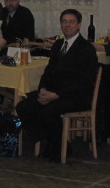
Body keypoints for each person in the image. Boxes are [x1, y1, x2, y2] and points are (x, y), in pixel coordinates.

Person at [16, 9, 98, 161]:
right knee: (23, 107)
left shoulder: (86, 49)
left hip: (75, 96)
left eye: (71, 22)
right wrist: (42, 90)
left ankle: (56, 147)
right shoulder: (58, 45)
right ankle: (56, 142)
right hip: (53, 92)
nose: (67, 25)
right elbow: (48, 72)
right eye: (64, 22)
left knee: (48, 111)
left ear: (79, 25)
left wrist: (57, 95)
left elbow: (85, 82)